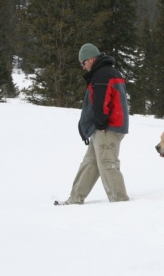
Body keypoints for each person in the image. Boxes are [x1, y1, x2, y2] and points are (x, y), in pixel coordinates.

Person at [55, 43, 130, 205]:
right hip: (103, 127)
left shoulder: (102, 74)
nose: (83, 67)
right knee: (90, 162)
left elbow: (101, 102)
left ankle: (120, 201)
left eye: (84, 63)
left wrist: (101, 124)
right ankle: (75, 198)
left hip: (107, 128)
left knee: (107, 163)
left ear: (92, 59)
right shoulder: (107, 72)